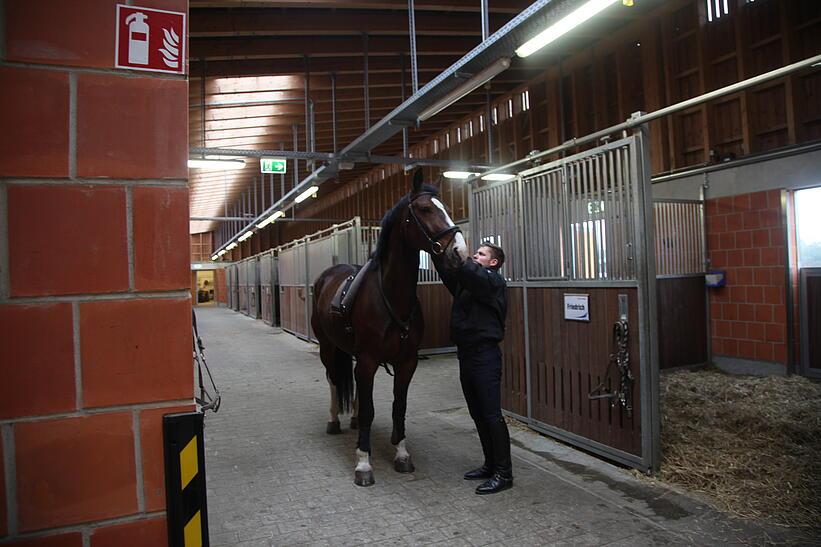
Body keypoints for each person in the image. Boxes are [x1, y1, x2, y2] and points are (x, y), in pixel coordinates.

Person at [436, 242, 512, 495]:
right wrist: (438, 253)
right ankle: (490, 465)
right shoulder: (470, 283)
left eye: (481, 254)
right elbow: (452, 274)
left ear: (493, 263)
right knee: (477, 414)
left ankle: (504, 473)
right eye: (475, 253)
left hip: (485, 356)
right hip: (466, 355)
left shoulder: (493, 281)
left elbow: (470, 271)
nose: (475, 256)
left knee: (491, 415)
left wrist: (462, 256)